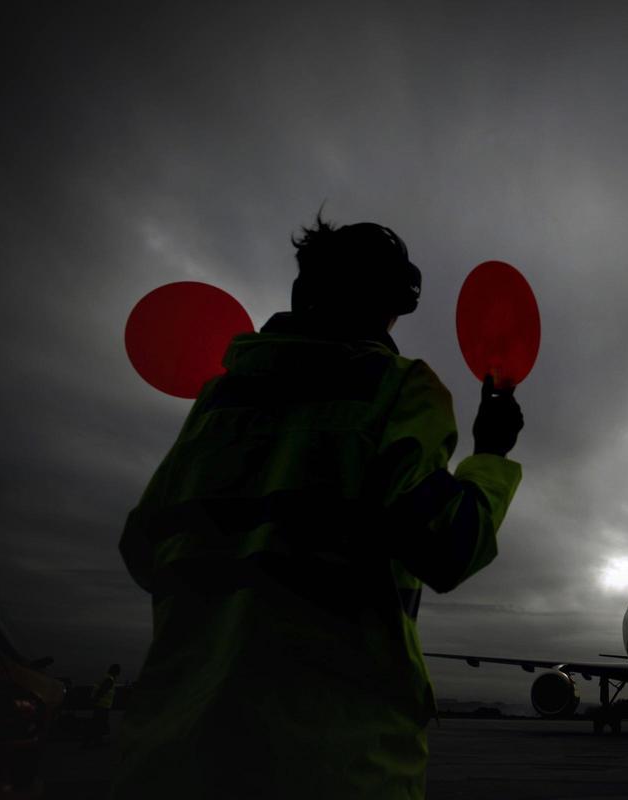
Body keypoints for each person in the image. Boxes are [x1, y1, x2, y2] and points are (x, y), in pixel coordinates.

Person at [111, 216, 524, 798]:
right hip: (336, 760)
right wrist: (491, 455)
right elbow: (448, 546)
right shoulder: (398, 387)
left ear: (303, 292)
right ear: (393, 305)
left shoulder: (217, 402)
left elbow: (141, 547)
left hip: (170, 758)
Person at [83, 663, 120, 748]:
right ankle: (95, 743)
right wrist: (96, 700)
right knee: (99, 725)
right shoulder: (109, 680)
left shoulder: (105, 678)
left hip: (100, 705)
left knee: (96, 724)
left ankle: (91, 742)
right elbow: (102, 691)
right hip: (102, 705)